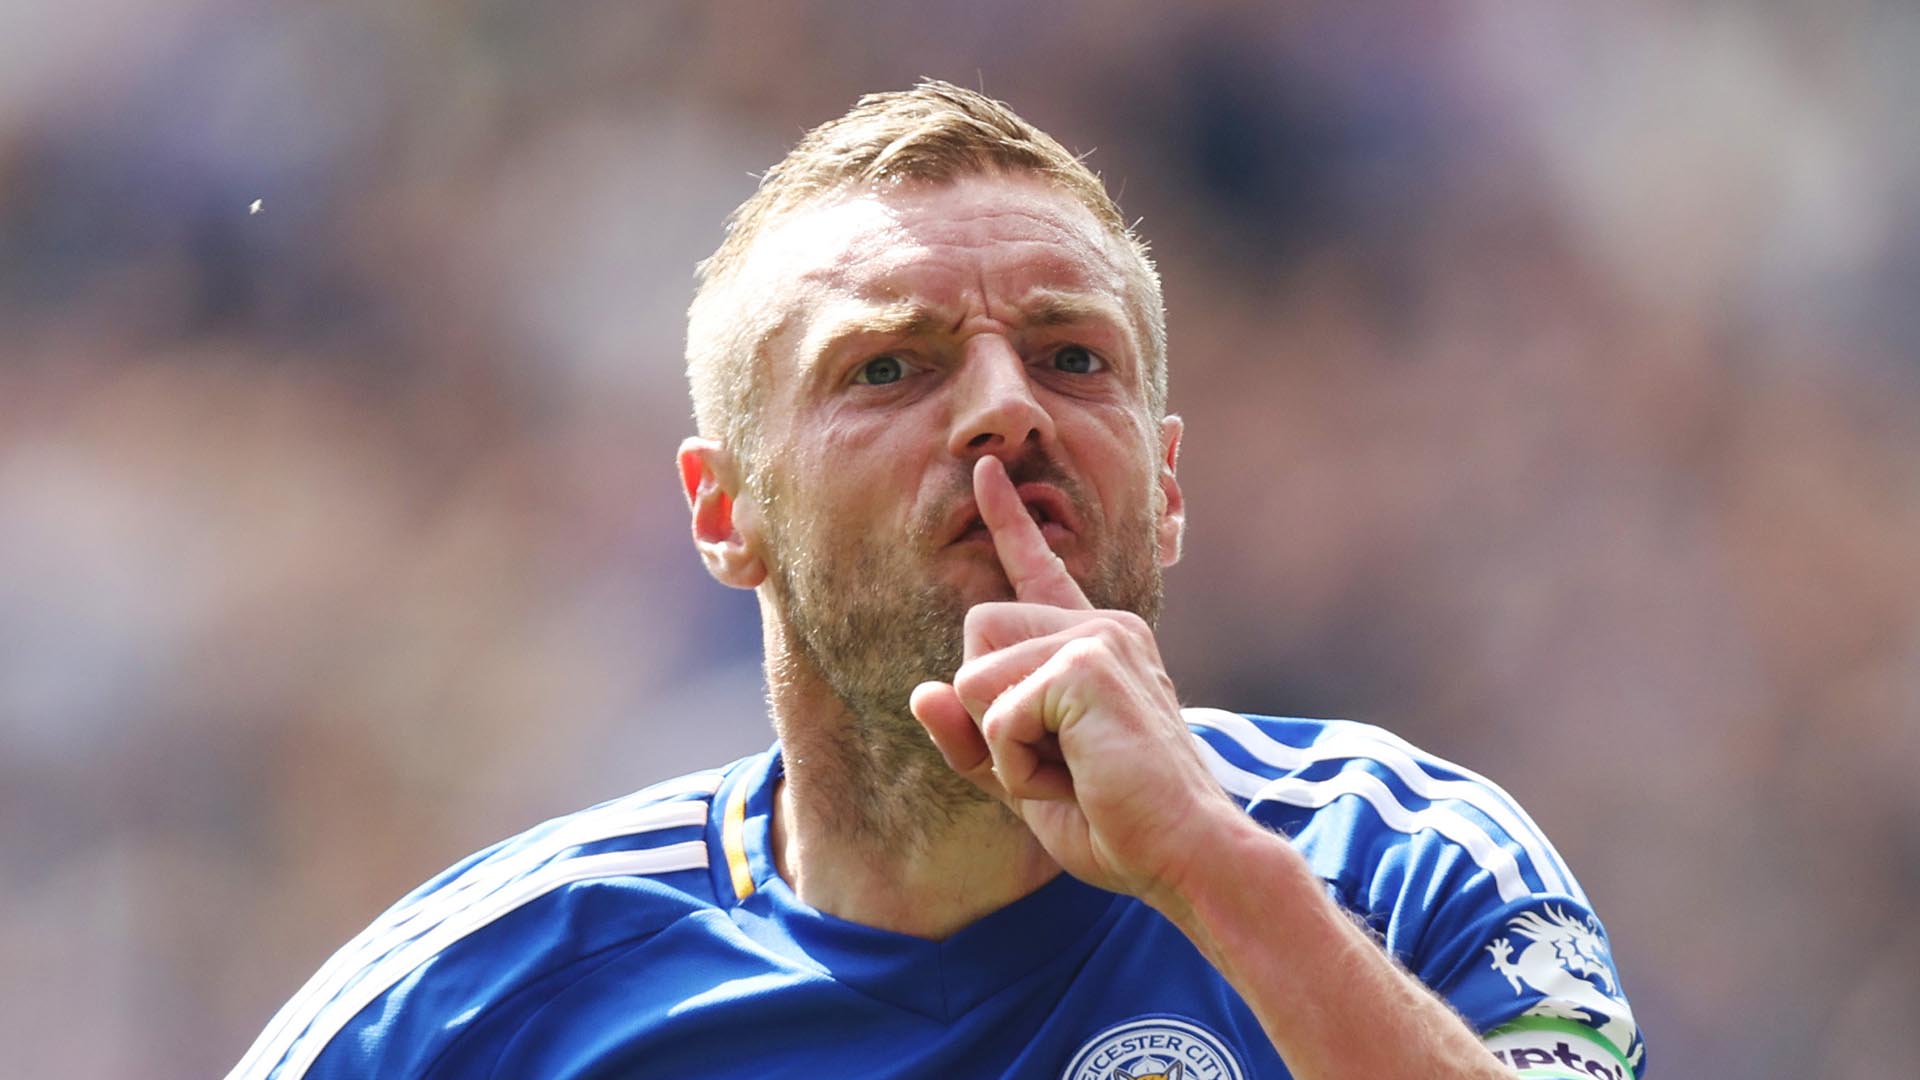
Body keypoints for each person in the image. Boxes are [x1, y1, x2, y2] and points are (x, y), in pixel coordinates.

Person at [227, 82, 1644, 1080]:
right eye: (888, 368)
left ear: (1163, 484)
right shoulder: (472, 1013)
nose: (1003, 412)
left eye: (1071, 356)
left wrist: (1222, 882)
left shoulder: (1400, 874)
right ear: (725, 514)